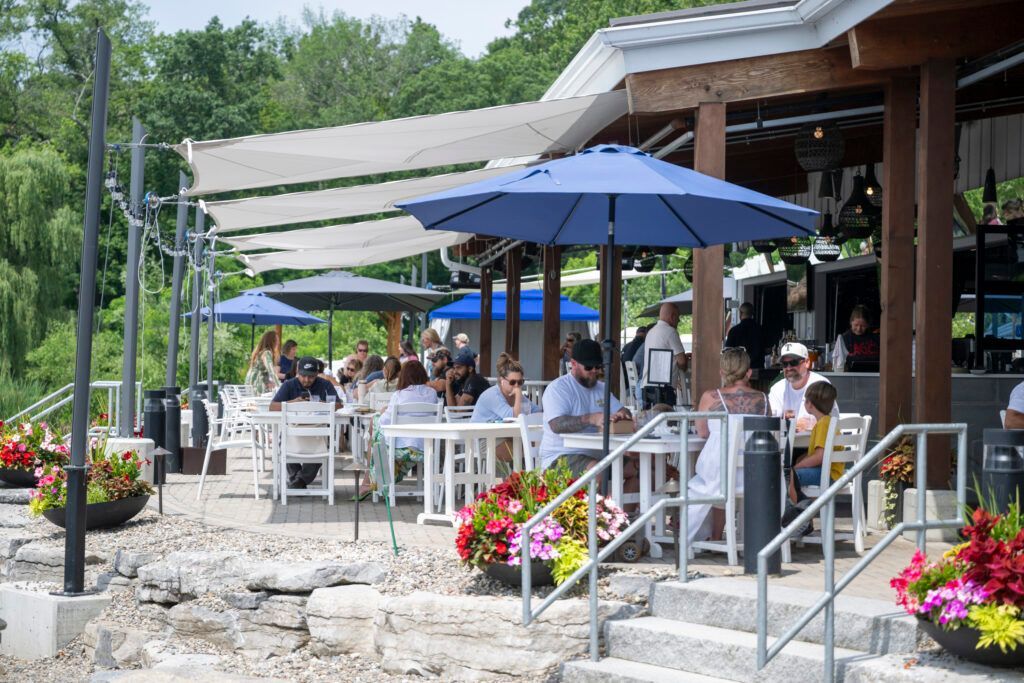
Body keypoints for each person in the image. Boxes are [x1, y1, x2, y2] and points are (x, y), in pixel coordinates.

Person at [685, 347, 769, 543]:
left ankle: (710, 537)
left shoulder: (710, 397)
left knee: (710, 480)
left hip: (719, 476)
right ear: (748, 372)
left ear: (722, 372)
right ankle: (721, 536)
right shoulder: (763, 400)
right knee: (720, 479)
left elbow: (703, 432)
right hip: (755, 475)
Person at [540, 338, 631, 475]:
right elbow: (556, 425)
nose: (594, 371)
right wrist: (590, 419)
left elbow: (623, 411)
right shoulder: (559, 388)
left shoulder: (602, 388)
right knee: (597, 472)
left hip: (599, 455)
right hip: (560, 457)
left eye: (598, 366)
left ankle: (613, 497)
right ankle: (604, 496)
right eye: (588, 367)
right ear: (573, 364)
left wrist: (622, 416)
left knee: (639, 469)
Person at [270, 356, 342, 489]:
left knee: (324, 445)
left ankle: (299, 481)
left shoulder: (324, 384)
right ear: (298, 371)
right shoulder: (289, 384)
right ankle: (298, 480)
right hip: (293, 437)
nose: (306, 380)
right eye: (303, 376)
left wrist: (323, 404)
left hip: (316, 437)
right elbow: (272, 407)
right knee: (284, 440)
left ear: (317, 374)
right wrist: (293, 403)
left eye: (311, 377)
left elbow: (339, 405)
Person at [376, 360, 439, 488]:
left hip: (402, 450)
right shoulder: (432, 393)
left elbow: (384, 421)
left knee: (377, 440)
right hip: (425, 447)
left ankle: (382, 484)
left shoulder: (399, 395)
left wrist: (382, 412)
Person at [788, 382, 842, 504]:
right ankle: (805, 509)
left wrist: (796, 467)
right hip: (832, 473)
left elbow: (819, 456)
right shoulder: (827, 422)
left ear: (810, 404)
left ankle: (801, 513)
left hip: (827, 474)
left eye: (805, 400)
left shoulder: (823, 424)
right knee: (794, 467)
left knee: (788, 475)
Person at [768, 342, 836, 432]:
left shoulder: (820, 385)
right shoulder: (777, 388)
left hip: (815, 442)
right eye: (784, 364)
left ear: (807, 362)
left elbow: (833, 419)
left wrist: (811, 424)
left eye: (793, 362)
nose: (788, 368)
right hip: (785, 444)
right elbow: (772, 420)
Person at [640, 302, 688, 407]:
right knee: (667, 422)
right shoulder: (671, 332)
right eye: (678, 317)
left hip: (647, 386)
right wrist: (684, 363)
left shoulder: (651, 332)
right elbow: (682, 362)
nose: (679, 320)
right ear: (672, 316)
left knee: (651, 421)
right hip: (664, 389)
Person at [831, 305, 880, 371]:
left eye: (863, 326)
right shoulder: (844, 339)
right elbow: (839, 363)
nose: (859, 329)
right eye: (856, 325)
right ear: (851, 322)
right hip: (851, 377)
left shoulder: (876, 338)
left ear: (868, 324)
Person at [724, 303, 764, 370]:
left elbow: (728, 353)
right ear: (752, 313)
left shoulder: (734, 331)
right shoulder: (760, 330)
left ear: (740, 313)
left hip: (739, 370)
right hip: (757, 369)